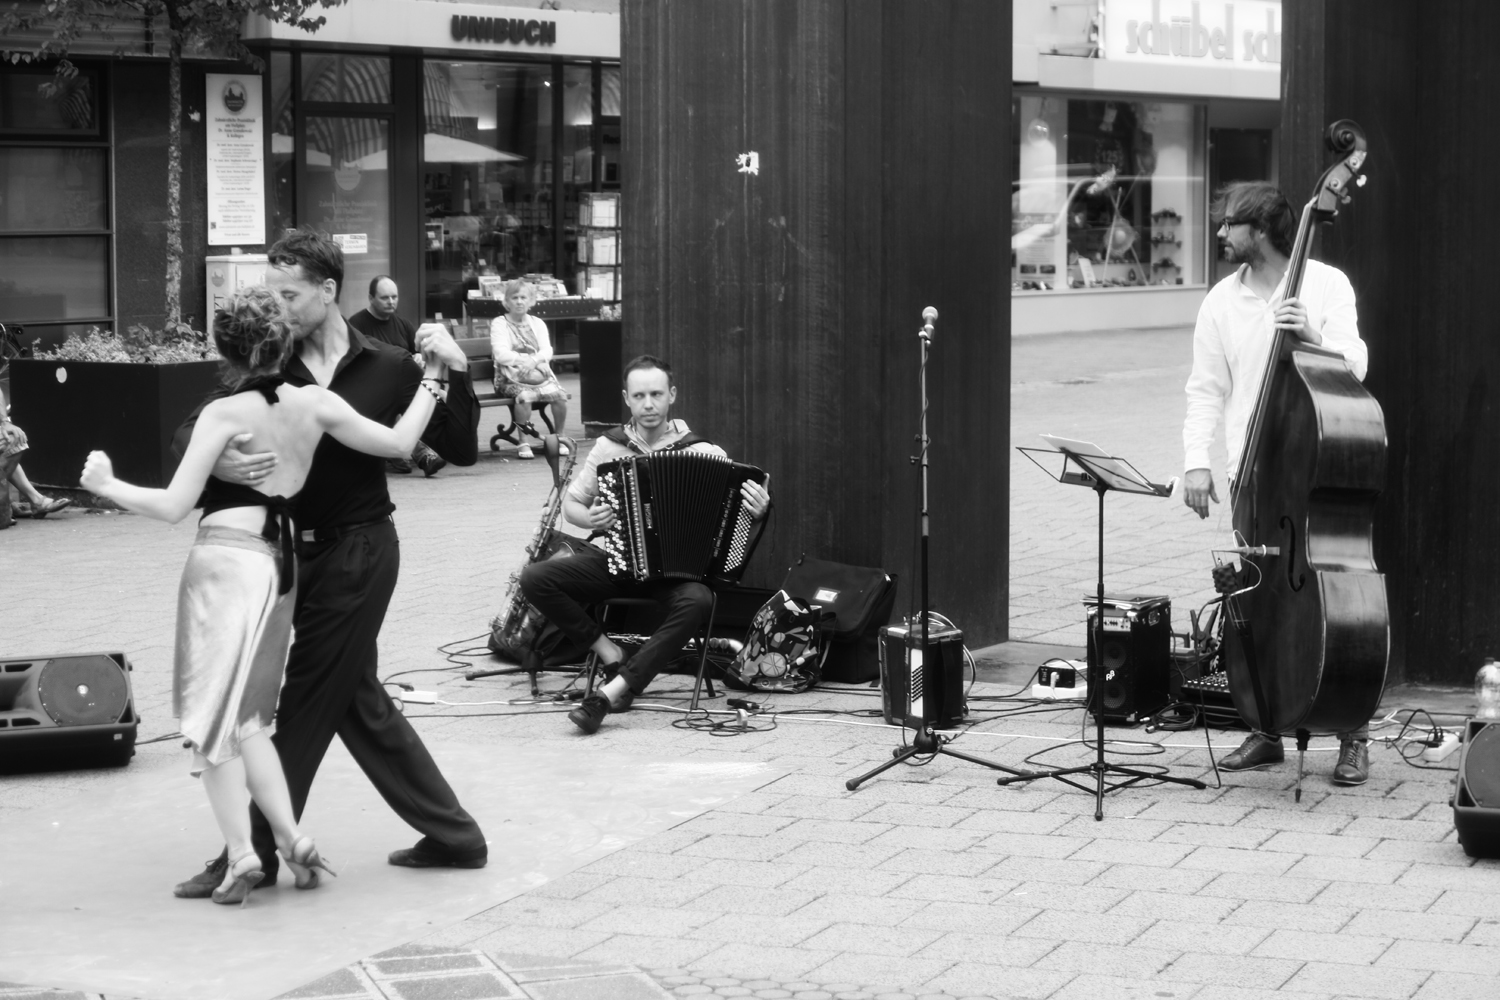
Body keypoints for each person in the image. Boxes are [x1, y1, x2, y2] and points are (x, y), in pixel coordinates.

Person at [80, 285, 444, 903]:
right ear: (281, 342)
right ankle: (291, 838)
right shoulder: (314, 402)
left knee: (209, 719)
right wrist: (433, 379)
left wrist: (107, 484)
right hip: (282, 563)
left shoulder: (224, 413)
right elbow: (399, 444)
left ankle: (243, 854)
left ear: (223, 349)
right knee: (250, 719)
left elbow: (173, 506)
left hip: (226, 560)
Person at [172, 231, 489, 898]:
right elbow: (189, 432)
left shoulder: (391, 365)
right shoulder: (268, 361)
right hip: (285, 554)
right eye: (271, 294)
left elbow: (460, 447)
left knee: (307, 695)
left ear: (327, 290)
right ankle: (455, 835)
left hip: (360, 551)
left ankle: (252, 852)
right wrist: (221, 458)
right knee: (354, 696)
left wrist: (456, 372)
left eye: (289, 294)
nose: (277, 306)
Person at [1181, 180, 1372, 786]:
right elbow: (1205, 389)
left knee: (1340, 602)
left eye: (1229, 224)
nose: (1219, 233)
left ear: (1260, 229)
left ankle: (1352, 730)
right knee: (1257, 601)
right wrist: (1196, 460)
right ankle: (1266, 729)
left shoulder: (1327, 284)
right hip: (1252, 475)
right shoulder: (1220, 301)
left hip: (1316, 467)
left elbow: (1356, 364)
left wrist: (1312, 337)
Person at [520, 355, 770, 734]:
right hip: (620, 564)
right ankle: (611, 653)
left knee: (699, 600)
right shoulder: (609, 447)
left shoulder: (704, 452)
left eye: (656, 394)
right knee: (536, 578)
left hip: (676, 577)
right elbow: (572, 505)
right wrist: (590, 519)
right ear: (627, 398)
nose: (648, 404)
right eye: (639, 396)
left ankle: (615, 689)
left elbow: (740, 515)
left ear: (672, 395)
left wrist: (759, 509)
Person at [348, 275, 446, 478]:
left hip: (406, 386)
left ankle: (416, 449)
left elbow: (417, 352)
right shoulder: (357, 325)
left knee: (438, 395)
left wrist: (419, 357)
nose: (391, 302)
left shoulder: (403, 325)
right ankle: (420, 452)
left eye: (394, 297)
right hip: (372, 389)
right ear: (371, 298)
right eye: (385, 297)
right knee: (395, 401)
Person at [490, 278, 569, 459]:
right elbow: (501, 354)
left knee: (560, 396)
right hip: (508, 378)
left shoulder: (537, 322)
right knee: (524, 397)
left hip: (537, 377)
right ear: (506, 301)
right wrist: (531, 360)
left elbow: (547, 350)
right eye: (514, 297)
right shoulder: (499, 323)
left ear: (531, 301)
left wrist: (534, 362)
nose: (519, 302)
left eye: (523, 297)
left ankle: (560, 437)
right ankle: (523, 441)